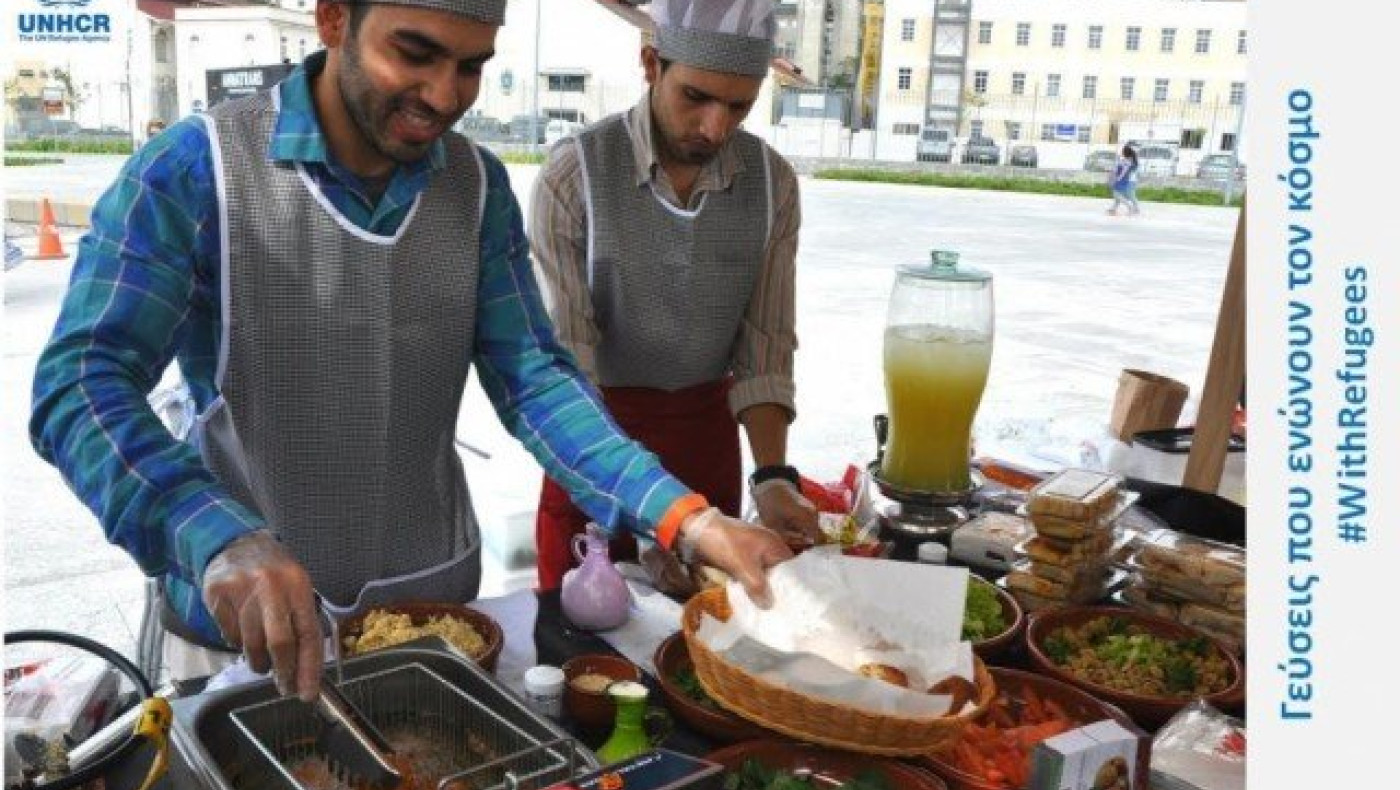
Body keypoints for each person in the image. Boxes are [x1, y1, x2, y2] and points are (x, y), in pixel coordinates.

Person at [29, 0, 792, 703]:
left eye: (470, 66)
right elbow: (81, 386)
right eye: (415, 53)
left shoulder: (477, 188)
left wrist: (686, 520)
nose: (442, 94)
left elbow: (537, 382)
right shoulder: (198, 172)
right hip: (241, 629)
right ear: (333, 19)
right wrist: (214, 535)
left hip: (431, 615)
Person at [528, 0, 819, 591]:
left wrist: (772, 478)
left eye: (739, 105)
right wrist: (649, 521)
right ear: (650, 63)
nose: (715, 127)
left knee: (703, 646)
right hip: (591, 444)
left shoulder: (772, 185)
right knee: (580, 648)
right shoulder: (574, 176)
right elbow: (565, 366)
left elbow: (765, 348)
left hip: (704, 442)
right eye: (696, 97)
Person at [1106, 144, 1141, 216]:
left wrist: (1117, 178)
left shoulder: (1129, 161)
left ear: (1125, 152)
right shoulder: (1131, 160)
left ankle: (1134, 208)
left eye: (1122, 151)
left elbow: (1124, 171)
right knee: (1122, 195)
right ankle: (1114, 209)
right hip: (1129, 180)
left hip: (1129, 180)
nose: (1121, 152)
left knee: (1128, 195)